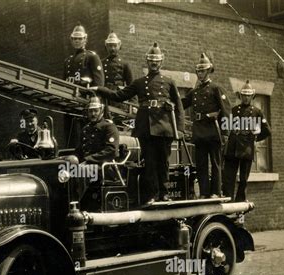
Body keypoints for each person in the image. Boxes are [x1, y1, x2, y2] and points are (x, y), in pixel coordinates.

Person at [92, 42, 185, 204]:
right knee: (149, 162)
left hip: (164, 127)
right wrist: (100, 89)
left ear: (161, 62)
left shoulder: (169, 82)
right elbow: (119, 95)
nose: (154, 63)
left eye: (157, 61)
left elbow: (179, 107)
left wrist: (181, 129)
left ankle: (164, 194)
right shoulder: (140, 82)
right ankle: (152, 195)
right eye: (151, 60)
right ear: (147, 62)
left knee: (163, 162)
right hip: (146, 127)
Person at [182, 53, 231, 199]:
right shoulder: (195, 91)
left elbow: (226, 111)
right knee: (201, 163)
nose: (200, 74)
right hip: (199, 131)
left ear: (209, 71)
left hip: (213, 130)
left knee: (215, 163)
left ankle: (216, 192)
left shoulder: (216, 88)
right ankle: (204, 192)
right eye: (198, 71)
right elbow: (183, 103)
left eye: (203, 71)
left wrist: (225, 132)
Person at [222, 80, 271, 201]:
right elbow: (226, 127)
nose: (246, 98)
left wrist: (254, 138)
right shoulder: (233, 111)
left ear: (252, 97)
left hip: (246, 149)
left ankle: (240, 200)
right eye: (244, 95)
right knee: (229, 177)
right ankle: (228, 198)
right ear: (240, 96)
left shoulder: (257, 112)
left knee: (243, 179)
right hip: (232, 148)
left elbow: (267, 130)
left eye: (248, 95)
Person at [75, 96, 119, 164]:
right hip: (85, 163)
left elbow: (112, 151)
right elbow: (79, 150)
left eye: (96, 111)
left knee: (75, 171)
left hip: (101, 165)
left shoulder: (109, 127)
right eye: (90, 111)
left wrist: (88, 159)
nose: (93, 114)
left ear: (101, 111)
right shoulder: (85, 129)